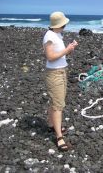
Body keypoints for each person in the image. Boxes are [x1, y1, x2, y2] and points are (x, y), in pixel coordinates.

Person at [43, 11, 78, 151]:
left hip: (61, 71)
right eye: (64, 24)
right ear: (58, 25)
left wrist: (69, 49)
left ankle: (51, 125)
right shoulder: (49, 36)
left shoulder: (56, 34)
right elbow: (50, 57)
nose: (65, 26)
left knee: (56, 101)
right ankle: (59, 137)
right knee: (58, 105)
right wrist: (67, 50)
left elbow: (56, 54)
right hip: (54, 74)